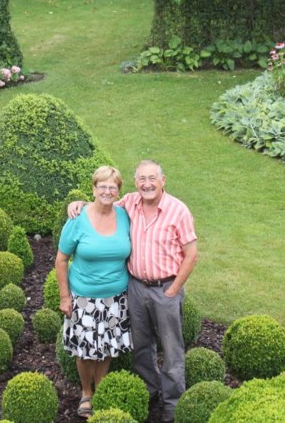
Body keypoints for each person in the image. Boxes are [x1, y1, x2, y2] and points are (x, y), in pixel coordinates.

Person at [68, 160, 198, 422]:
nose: (147, 184)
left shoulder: (178, 211)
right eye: (141, 179)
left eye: (152, 178)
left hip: (165, 289)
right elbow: (103, 201)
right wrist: (79, 204)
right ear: (135, 182)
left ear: (163, 180)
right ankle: (149, 393)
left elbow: (191, 254)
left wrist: (173, 290)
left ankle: (172, 404)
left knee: (171, 349)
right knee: (141, 347)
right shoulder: (130, 203)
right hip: (136, 288)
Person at [56, 165, 133, 419]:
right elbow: (61, 259)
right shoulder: (77, 219)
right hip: (84, 298)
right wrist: (65, 298)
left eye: (113, 187)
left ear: (118, 191)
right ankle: (86, 392)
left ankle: (101, 389)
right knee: (85, 351)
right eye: (103, 186)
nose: (107, 191)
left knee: (107, 348)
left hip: (115, 298)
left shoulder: (124, 215)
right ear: (94, 188)